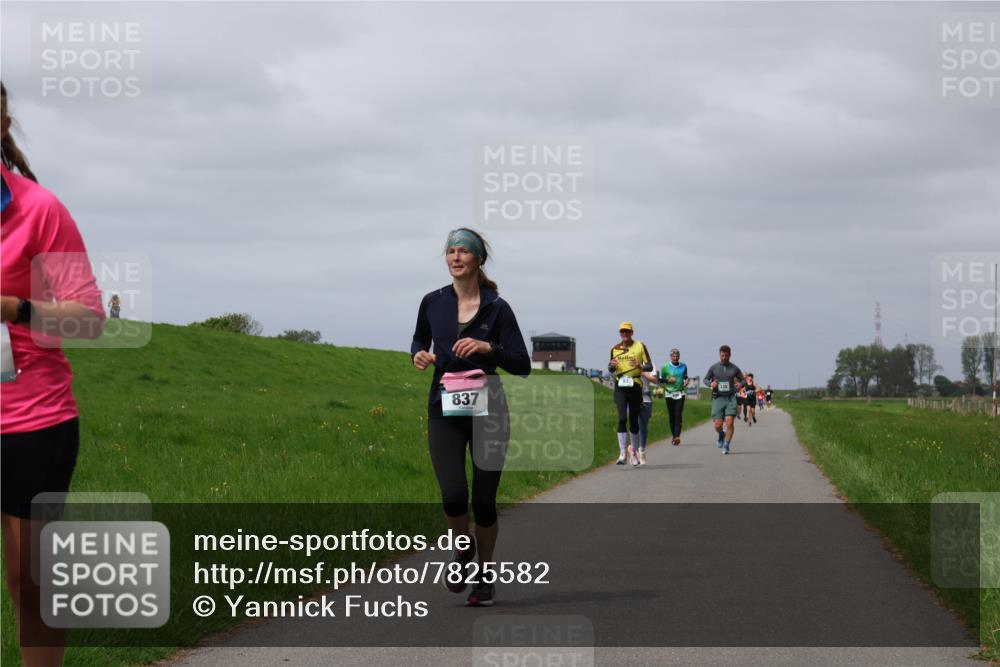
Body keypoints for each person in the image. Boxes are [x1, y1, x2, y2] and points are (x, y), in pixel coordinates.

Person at [1, 81, 106, 667]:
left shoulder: (39, 209)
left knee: (30, 578)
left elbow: (89, 319)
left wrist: (14, 308)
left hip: (29, 418)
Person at [411, 227, 530, 607]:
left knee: (483, 500)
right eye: (451, 251)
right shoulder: (432, 301)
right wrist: (419, 354)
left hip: (488, 409)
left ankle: (484, 573)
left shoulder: (497, 307)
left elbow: (522, 364)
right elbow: (419, 339)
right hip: (443, 408)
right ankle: (463, 553)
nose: (456, 257)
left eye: (464, 251)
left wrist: (487, 347)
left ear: (479, 259)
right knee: (453, 494)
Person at [608, 322, 652, 465]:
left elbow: (650, 366)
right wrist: (611, 366)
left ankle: (633, 452)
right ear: (620, 333)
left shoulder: (640, 346)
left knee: (633, 421)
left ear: (632, 332)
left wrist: (639, 366)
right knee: (621, 418)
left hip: (635, 386)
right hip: (620, 386)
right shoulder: (614, 349)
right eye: (622, 331)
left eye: (627, 331)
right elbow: (611, 368)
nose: (625, 334)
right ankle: (622, 453)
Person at [703, 345, 745, 455]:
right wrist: (710, 383)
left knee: (730, 422)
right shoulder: (714, 367)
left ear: (730, 355)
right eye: (722, 355)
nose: (724, 358)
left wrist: (740, 385)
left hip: (731, 397)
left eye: (726, 355)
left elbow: (743, 380)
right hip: (718, 398)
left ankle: (726, 445)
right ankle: (721, 434)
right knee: (717, 425)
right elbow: (705, 379)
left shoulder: (734, 368)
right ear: (719, 355)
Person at [660, 348, 689, 446]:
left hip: (680, 393)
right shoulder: (665, 367)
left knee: (678, 414)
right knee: (672, 416)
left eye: (677, 356)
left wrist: (686, 380)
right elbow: (660, 379)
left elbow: (685, 376)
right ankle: (674, 435)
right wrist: (668, 380)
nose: (675, 358)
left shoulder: (683, 366)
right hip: (669, 393)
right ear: (670, 357)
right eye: (673, 356)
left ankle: (677, 436)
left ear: (679, 357)